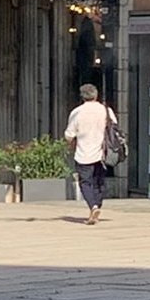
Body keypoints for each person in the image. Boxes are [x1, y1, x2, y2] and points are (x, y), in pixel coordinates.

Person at [64, 84, 115, 228]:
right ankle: (97, 206)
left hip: (83, 153)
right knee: (99, 182)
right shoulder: (106, 110)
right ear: (96, 95)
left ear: (82, 96)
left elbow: (69, 135)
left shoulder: (77, 112)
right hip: (103, 153)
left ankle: (93, 207)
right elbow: (114, 127)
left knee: (85, 183)